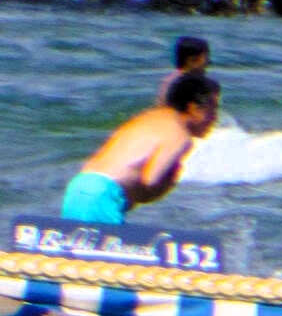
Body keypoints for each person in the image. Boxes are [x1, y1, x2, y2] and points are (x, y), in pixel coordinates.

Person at [63, 55, 226, 232]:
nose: (215, 118)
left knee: (76, 258)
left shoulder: (149, 117)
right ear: (193, 107)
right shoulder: (180, 134)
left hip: (79, 187)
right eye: (212, 109)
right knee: (109, 259)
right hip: (103, 195)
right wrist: (171, 179)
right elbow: (150, 180)